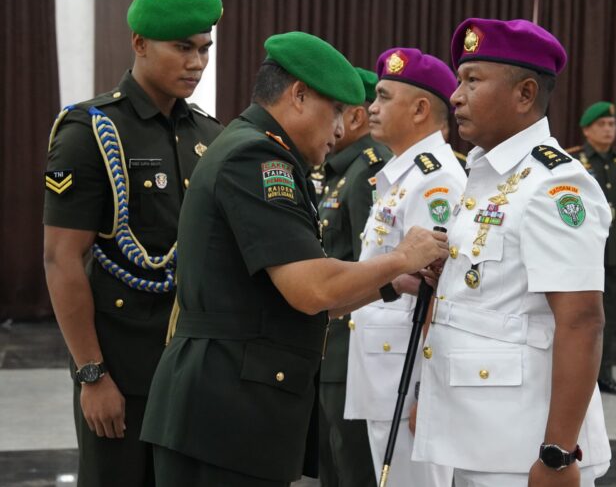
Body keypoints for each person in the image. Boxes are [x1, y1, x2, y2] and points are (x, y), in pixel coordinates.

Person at [139, 32, 449, 486]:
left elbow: (294, 294)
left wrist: (387, 284)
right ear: (299, 96)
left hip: (230, 409)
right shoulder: (258, 158)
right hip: (225, 413)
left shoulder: (255, 149)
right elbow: (312, 289)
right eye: (336, 112)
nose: (341, 130)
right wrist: (402, 257)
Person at [413, 17, 612, 487]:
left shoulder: (555, 184)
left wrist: (558, 454)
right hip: (472, 427)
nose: (456, 96)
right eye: (458, 81)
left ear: (524, 94)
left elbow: (582, 320)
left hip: (521, 444)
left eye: (473, 81)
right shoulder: (490, 175)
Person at [42, 0, 223, 487]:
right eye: (182, 47)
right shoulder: (91, 132)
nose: (197, 62)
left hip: (193, 368)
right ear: (140, 44)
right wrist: (92, 374)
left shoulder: (210, 134)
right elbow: (62, 258)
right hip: (122, 366)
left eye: (204, 49)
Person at [344, 47, 465, 487]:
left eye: (383, 96)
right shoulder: (403, 175)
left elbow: (442, 289)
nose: (371, 108)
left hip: (408, 376)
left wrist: (427, 393)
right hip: (386, 369)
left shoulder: (437, 180)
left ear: (419, 109)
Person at [317, 67, 391, 487]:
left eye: (335, 110)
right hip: (329, 345)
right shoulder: (336, 170)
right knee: (331, 463)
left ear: (357, 118)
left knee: (353, 468)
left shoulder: (369, 172)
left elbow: (374, 268)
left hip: (352, 349)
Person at [567, 101, 616, 395]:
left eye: (611, 124)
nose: (608, 129)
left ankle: (605, 373)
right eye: (601, 125)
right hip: (582, 246)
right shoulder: (572, 160)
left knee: (608, 315)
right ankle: (577, 375)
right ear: (587, 130)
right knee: (578, 314)